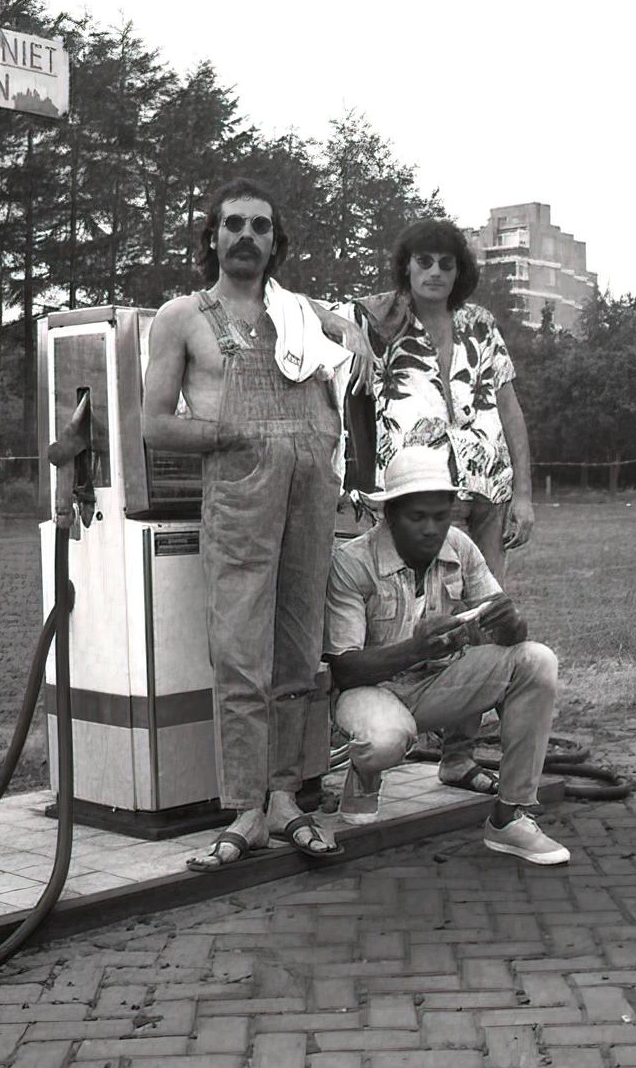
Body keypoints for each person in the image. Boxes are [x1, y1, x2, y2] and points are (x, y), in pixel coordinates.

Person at [142, 177, 374, 872]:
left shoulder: (299, 314)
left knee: (299, 653)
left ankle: (286, 798)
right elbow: (155, 425)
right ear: (211, 234)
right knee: (241, 653)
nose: (247, 235)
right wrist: (232, 431)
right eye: (234, 223)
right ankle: (244, 806)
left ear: (276, 242)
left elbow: (356, 353)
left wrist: (350, 330)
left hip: (311, 494)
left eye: (261, 226)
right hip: (241, 492)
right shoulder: (183, 316)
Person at [322, 444, 569, 866]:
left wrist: (510, 623)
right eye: (417, 517)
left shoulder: (460, 547)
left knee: (536, 660)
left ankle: (510, 818)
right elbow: (344, 668)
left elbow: (507, 628)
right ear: (390, 513)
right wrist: (415, 648)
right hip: (370, 690)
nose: (431, 529)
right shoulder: (352, 563)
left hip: (438, 684)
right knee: (384, 739)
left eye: (440, 516)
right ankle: (365, 771)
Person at [356, 219, 536, 576]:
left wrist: (524, 494)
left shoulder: (481, 325)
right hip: (416, 490)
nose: (435, 271)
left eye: (446, 263)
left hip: (488, 485)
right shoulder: (379, 324)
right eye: (424, 261)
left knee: (488, 603)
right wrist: (345, 326)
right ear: (406, 266)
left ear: (459, 271)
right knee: (417, 603)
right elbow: (309, 311)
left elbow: (509, 409)